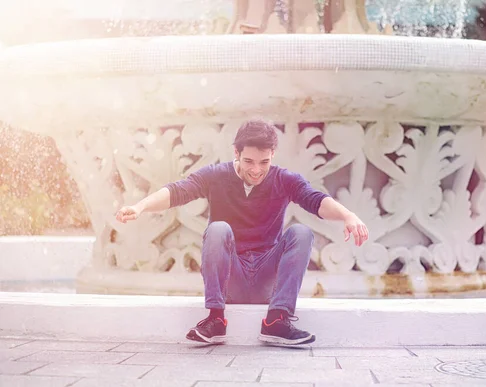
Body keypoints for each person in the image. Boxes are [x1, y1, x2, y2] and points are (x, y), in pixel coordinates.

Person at [115, 119, 369, 346]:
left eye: (264, 162)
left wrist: (349, 216)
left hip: (265, 277)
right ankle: (215, 321)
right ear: (236, 153)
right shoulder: (217, 175)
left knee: (301, 233)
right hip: (231, 278)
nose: (256, 170)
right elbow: (179, 190)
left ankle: (277, 322)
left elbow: (315, 199)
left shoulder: (283, 179)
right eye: (248, 161)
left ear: (273, 155)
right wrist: (140, 206)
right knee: (218, 229)